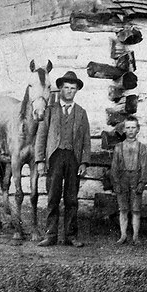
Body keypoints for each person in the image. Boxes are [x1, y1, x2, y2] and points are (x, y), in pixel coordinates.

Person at [35, 71, 91, 248]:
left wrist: (84, 161)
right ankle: (50, 235)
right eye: (66, 87)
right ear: (60, 89)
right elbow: (41, 136)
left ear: (76, 91)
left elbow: (86, 140)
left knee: (71, 199)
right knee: (53, 197)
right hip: (55, 157)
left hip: (73, 158)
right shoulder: (50, 111)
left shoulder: (81, 112)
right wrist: (40, 160)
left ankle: (70, 235)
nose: (69, 91)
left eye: (73, 88)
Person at [110, 116, 147, 245]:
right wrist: (116, 182)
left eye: (133, 127)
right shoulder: (119, 147)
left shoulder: (141, 147)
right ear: (124, 130)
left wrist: (142, 182)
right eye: (128, 128)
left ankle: (136, 236)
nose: (131, 130)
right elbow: (114, 167)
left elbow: (144, 166)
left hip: (136, 179)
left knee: (136, 209)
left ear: (138, 129)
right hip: (122, 179)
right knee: (123, 209)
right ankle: (123, 235)